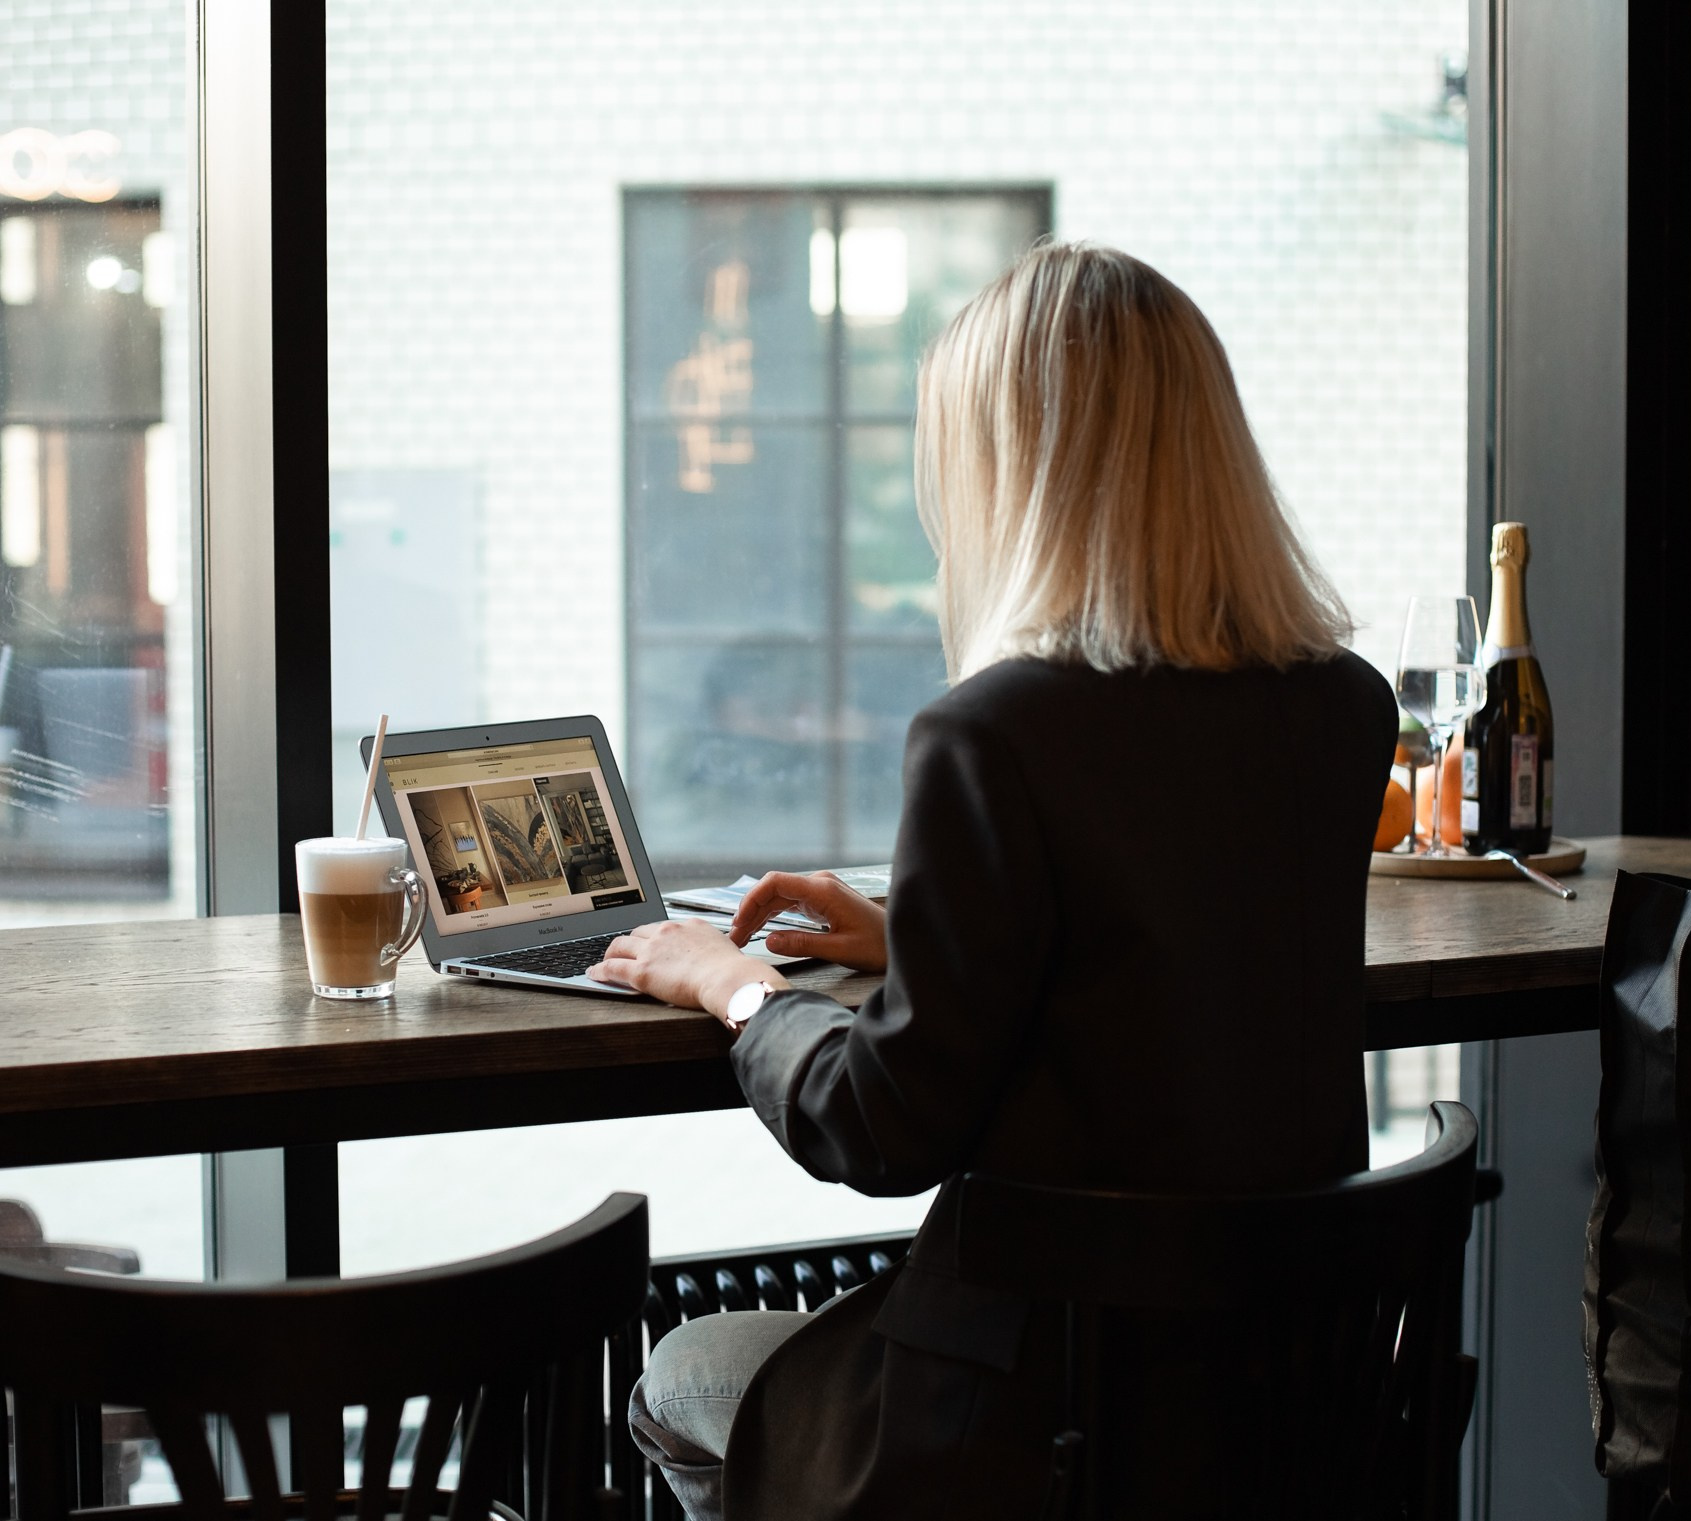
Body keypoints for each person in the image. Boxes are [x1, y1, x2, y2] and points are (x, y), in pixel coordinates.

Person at [588, 241, 1397, 1520]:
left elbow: (880, 1128)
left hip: (1022, 1429)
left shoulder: (995, 731)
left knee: (686, 1368)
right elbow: (1170, 941)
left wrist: (735, 990)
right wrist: (914, 936)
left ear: (1009, 474)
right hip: (1266, 1402)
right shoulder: (1344, 709)